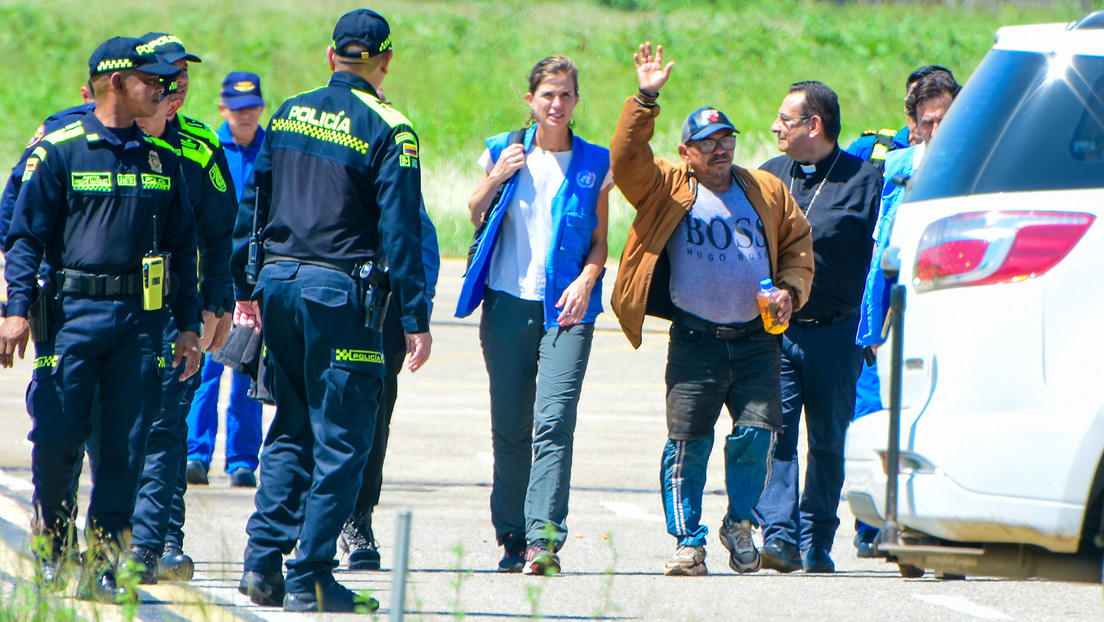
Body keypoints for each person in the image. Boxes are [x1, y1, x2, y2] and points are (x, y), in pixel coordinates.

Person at [232, 9, 431, 613]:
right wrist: (416, 317)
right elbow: (401, 232)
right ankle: (311, 573)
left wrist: (246, 284)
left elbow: (254, 201)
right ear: (385, 61)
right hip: (338, 297)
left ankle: (262, 564)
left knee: (291, 425)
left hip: (278, 287)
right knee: (344, 439)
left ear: (331, 57)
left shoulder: (288, 112)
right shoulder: (392, 128)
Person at [0, 36, 202, 602]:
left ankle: (108, 562)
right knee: (59, 438)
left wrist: (187, 324)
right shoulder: (62, 148)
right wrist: (16, 309)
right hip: (72, 316)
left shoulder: (162, 157)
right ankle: (53, 548)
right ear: (116, 82)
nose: (163, 90)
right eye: (151, 80)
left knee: (125, 446)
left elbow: (183, 246)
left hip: (140, 320)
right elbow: (25, 235)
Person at [609, 42, 814, 577]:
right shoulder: (664, 188)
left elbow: (797, 243)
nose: (721, 149)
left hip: (755, 341)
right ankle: (688, 541)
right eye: (708, 142)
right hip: (696, 341)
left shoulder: (766, 189)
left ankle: (739, 524)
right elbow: (626, 158)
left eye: (727, 139)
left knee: (757, 436)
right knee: (687, 444)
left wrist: (790, 290)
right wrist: (645, 98)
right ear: (686, 151)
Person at [455, 55, 611, 576]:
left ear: (576, 101)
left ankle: (544, 537)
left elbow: (599, 243)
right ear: (530, 100)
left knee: (555, 418)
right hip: (507, 303)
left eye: (566, 94)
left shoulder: (594, 162)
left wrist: (588, 281)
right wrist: (496, 176)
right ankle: (512, 536)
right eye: (547, 94)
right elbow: (475, 212)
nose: (557, 104)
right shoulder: (504, 149)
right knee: (511, 426)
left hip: (567, 309)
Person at [124, 32, 237, 586]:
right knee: (115, 424)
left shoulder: (198, 145)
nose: (178, 88)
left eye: (184, 78)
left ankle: (164, 538)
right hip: (106, 308)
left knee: (167, 424)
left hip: (176, 308)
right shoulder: (93, 137)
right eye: (167, 79)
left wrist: (217, 306)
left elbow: (220, 237)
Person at [756, 81, 882, 574]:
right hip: (778, 333)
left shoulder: (865, 182)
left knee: (827, 441)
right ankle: (780, 538)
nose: (775, 128)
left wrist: (875, 327)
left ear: (815, 125)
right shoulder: (768, 177)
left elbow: (883, 258)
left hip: (836, 334)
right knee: (776, 435)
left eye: (785, 120)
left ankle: (816, 540)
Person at [849, 66, 958, 558]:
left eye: (946, 119)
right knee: (875, 410)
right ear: (912, 121)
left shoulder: (977, 162)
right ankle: (874, 523)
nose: (937, 131)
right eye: (928, 121)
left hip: (948, 305)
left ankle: (934, 520)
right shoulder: (890, 163)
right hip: (890, 306)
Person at [339, 84, 441, 572]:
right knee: (308, 415)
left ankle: (358, 518)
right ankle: (299, 522)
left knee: (374, 420)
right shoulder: (319, 148)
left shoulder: (393, 150)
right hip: (322, 304)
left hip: (380, 311)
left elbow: (419, 238)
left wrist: (413, 313)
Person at [185, 71, 267, 491]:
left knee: (248, 372)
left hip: (254, 278)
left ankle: (242, 459)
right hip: (215, 273)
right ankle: (195, 454)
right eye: (237, 109)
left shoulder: (273, 149)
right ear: (222, 109)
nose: (245, 115)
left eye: (252, 106)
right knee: (206, 368)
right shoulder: (208, 149)